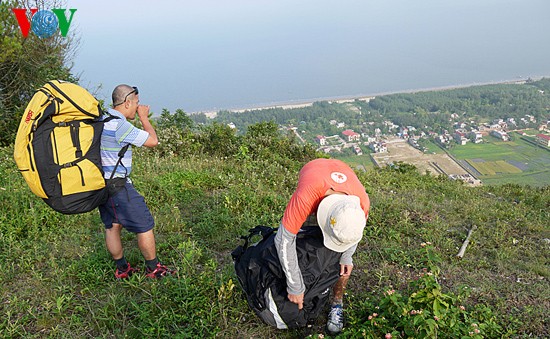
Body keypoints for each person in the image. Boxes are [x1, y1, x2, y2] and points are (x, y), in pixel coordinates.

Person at [274, 158, 370, 334]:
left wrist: (347, 255)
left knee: (341, 261)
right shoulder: (307, 196)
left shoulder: (361, 204)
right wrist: (295, 286)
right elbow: (284, 239)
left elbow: (354, 235)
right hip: (315, 172)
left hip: (341, 171)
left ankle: (337, 303)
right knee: (304, 238)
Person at [98, 84, 174, 279]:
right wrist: (144, 118)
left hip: (101, 185)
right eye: (137, 103)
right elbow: (152, 141)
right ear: (127, 102)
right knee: (145, 224)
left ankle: (122, 270)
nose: (138, 106)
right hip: (119, 186)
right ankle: (153, 268)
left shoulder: (101, 119)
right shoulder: (120, 125)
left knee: (113, 225)